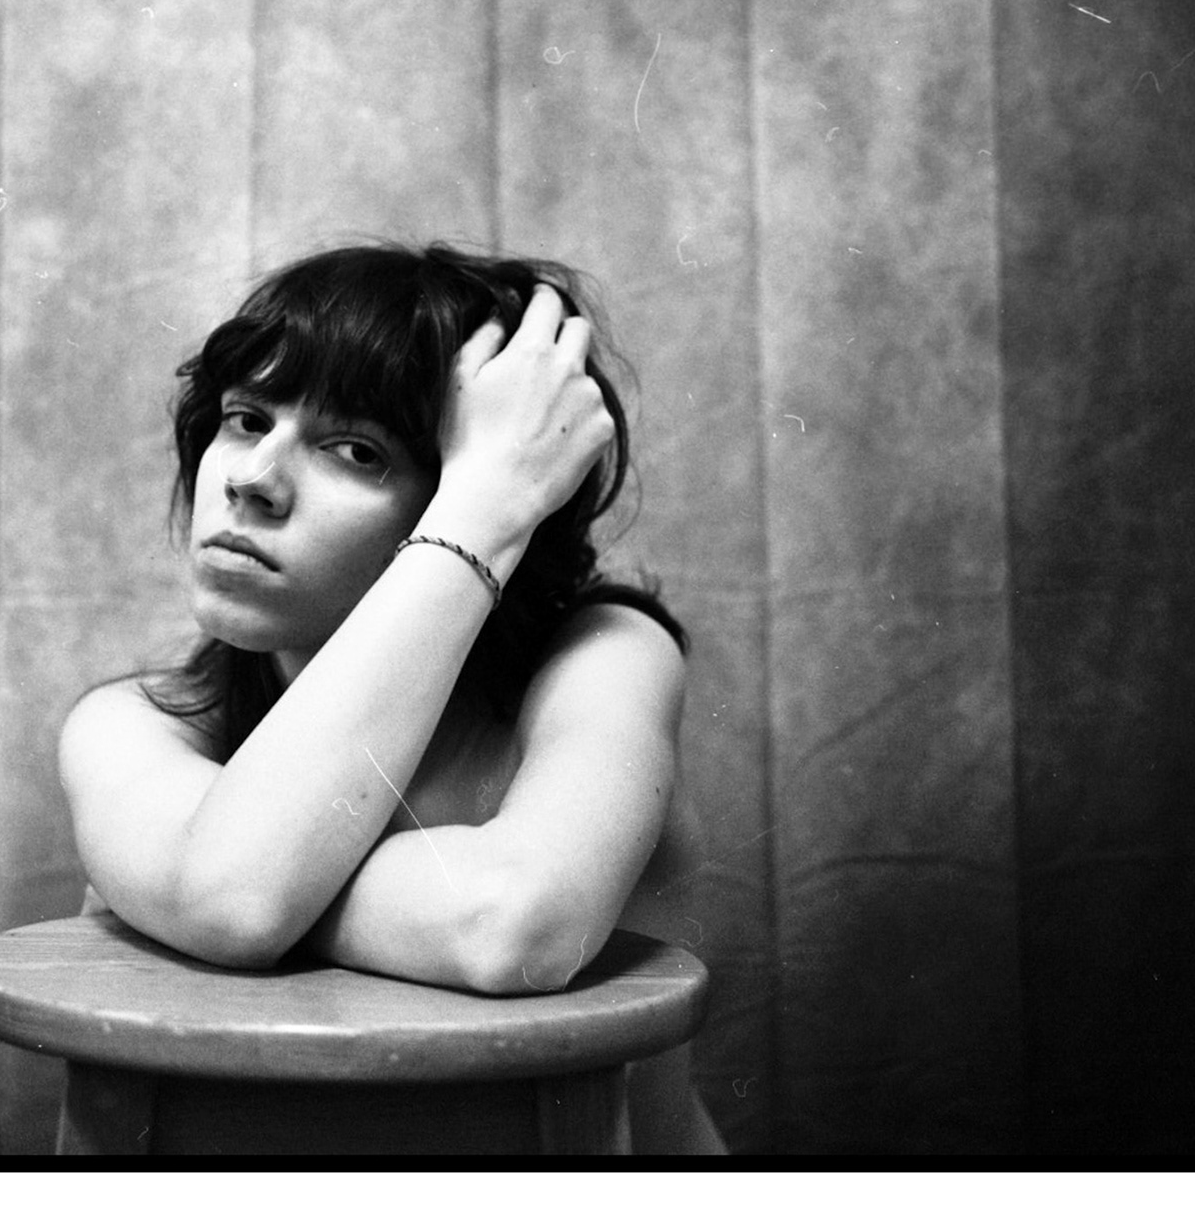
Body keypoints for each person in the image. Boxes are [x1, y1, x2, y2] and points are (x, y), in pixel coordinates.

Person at [58, 241, 725, 1154]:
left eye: (356, 450)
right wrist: (239, 887)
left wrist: (485, 507)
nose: (252, 479)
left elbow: (510, 925)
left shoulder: (605, 655)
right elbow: (236, 897)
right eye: (246, 419)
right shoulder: (132, 723)